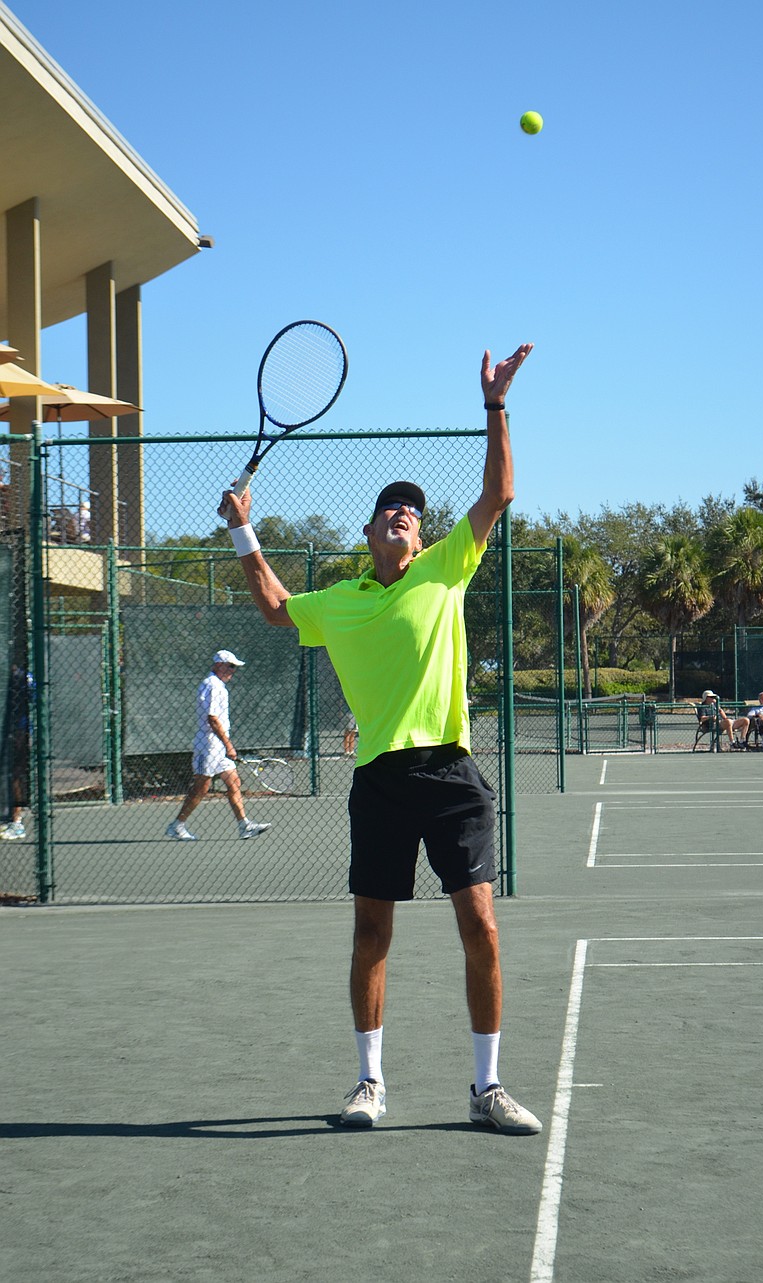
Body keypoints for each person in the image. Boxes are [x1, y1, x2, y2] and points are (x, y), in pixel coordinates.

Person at [218, 344, 542, 1135]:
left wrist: (495, 405)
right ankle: (369, 1082)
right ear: (368, 530)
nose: (405, 513)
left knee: (482, 924)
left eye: (414, 511)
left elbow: (500, 490)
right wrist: (242, 530)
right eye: (391, 509)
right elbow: (273, 606)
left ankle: (486, 1087)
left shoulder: (445, 569)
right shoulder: (340, 602)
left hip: (452, 771)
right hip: (380, 782)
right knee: (372, 931)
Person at [165, 650, 271, 842]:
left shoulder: (218, 686)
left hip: (219, 745)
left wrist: (226, 745)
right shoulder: (212, 686)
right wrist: (228, 745)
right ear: (219, 665)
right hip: (209, 744)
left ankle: (244, 825)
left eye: (234, 667)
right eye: (230, 666)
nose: (233, 671)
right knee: (201, 787)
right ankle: (177, 825)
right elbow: (212, 719)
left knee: (233, 782)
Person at [1, 664, 34, 840]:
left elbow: (34, 699)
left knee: (14, 775)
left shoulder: (23, 677)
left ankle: (16, 821)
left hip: (18, 732)